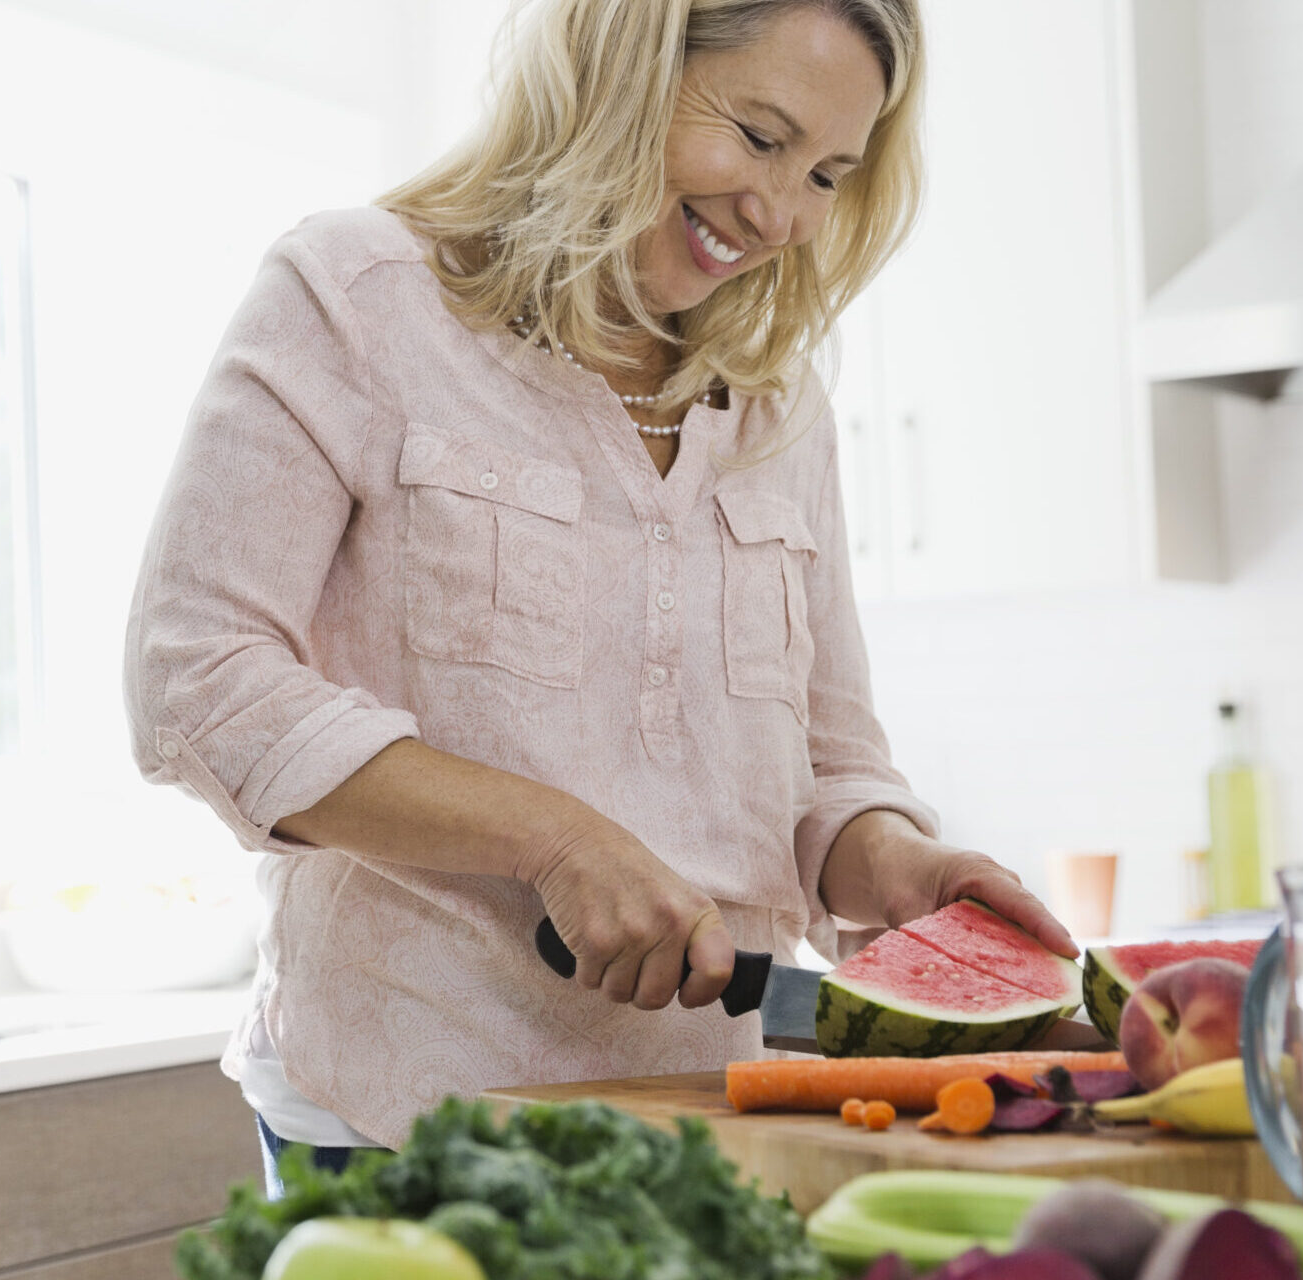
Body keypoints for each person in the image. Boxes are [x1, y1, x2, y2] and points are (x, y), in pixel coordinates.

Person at [122, 0, 1076, 1187]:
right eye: (759, 135)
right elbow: (194, 679)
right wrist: (556, 841)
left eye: (828, 172)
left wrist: (890, 859)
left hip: (714, 1125)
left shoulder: (780, 405)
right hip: (404, 1120)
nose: (780, 213)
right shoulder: (355, 299)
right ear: (621, 67)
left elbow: (831, 760)